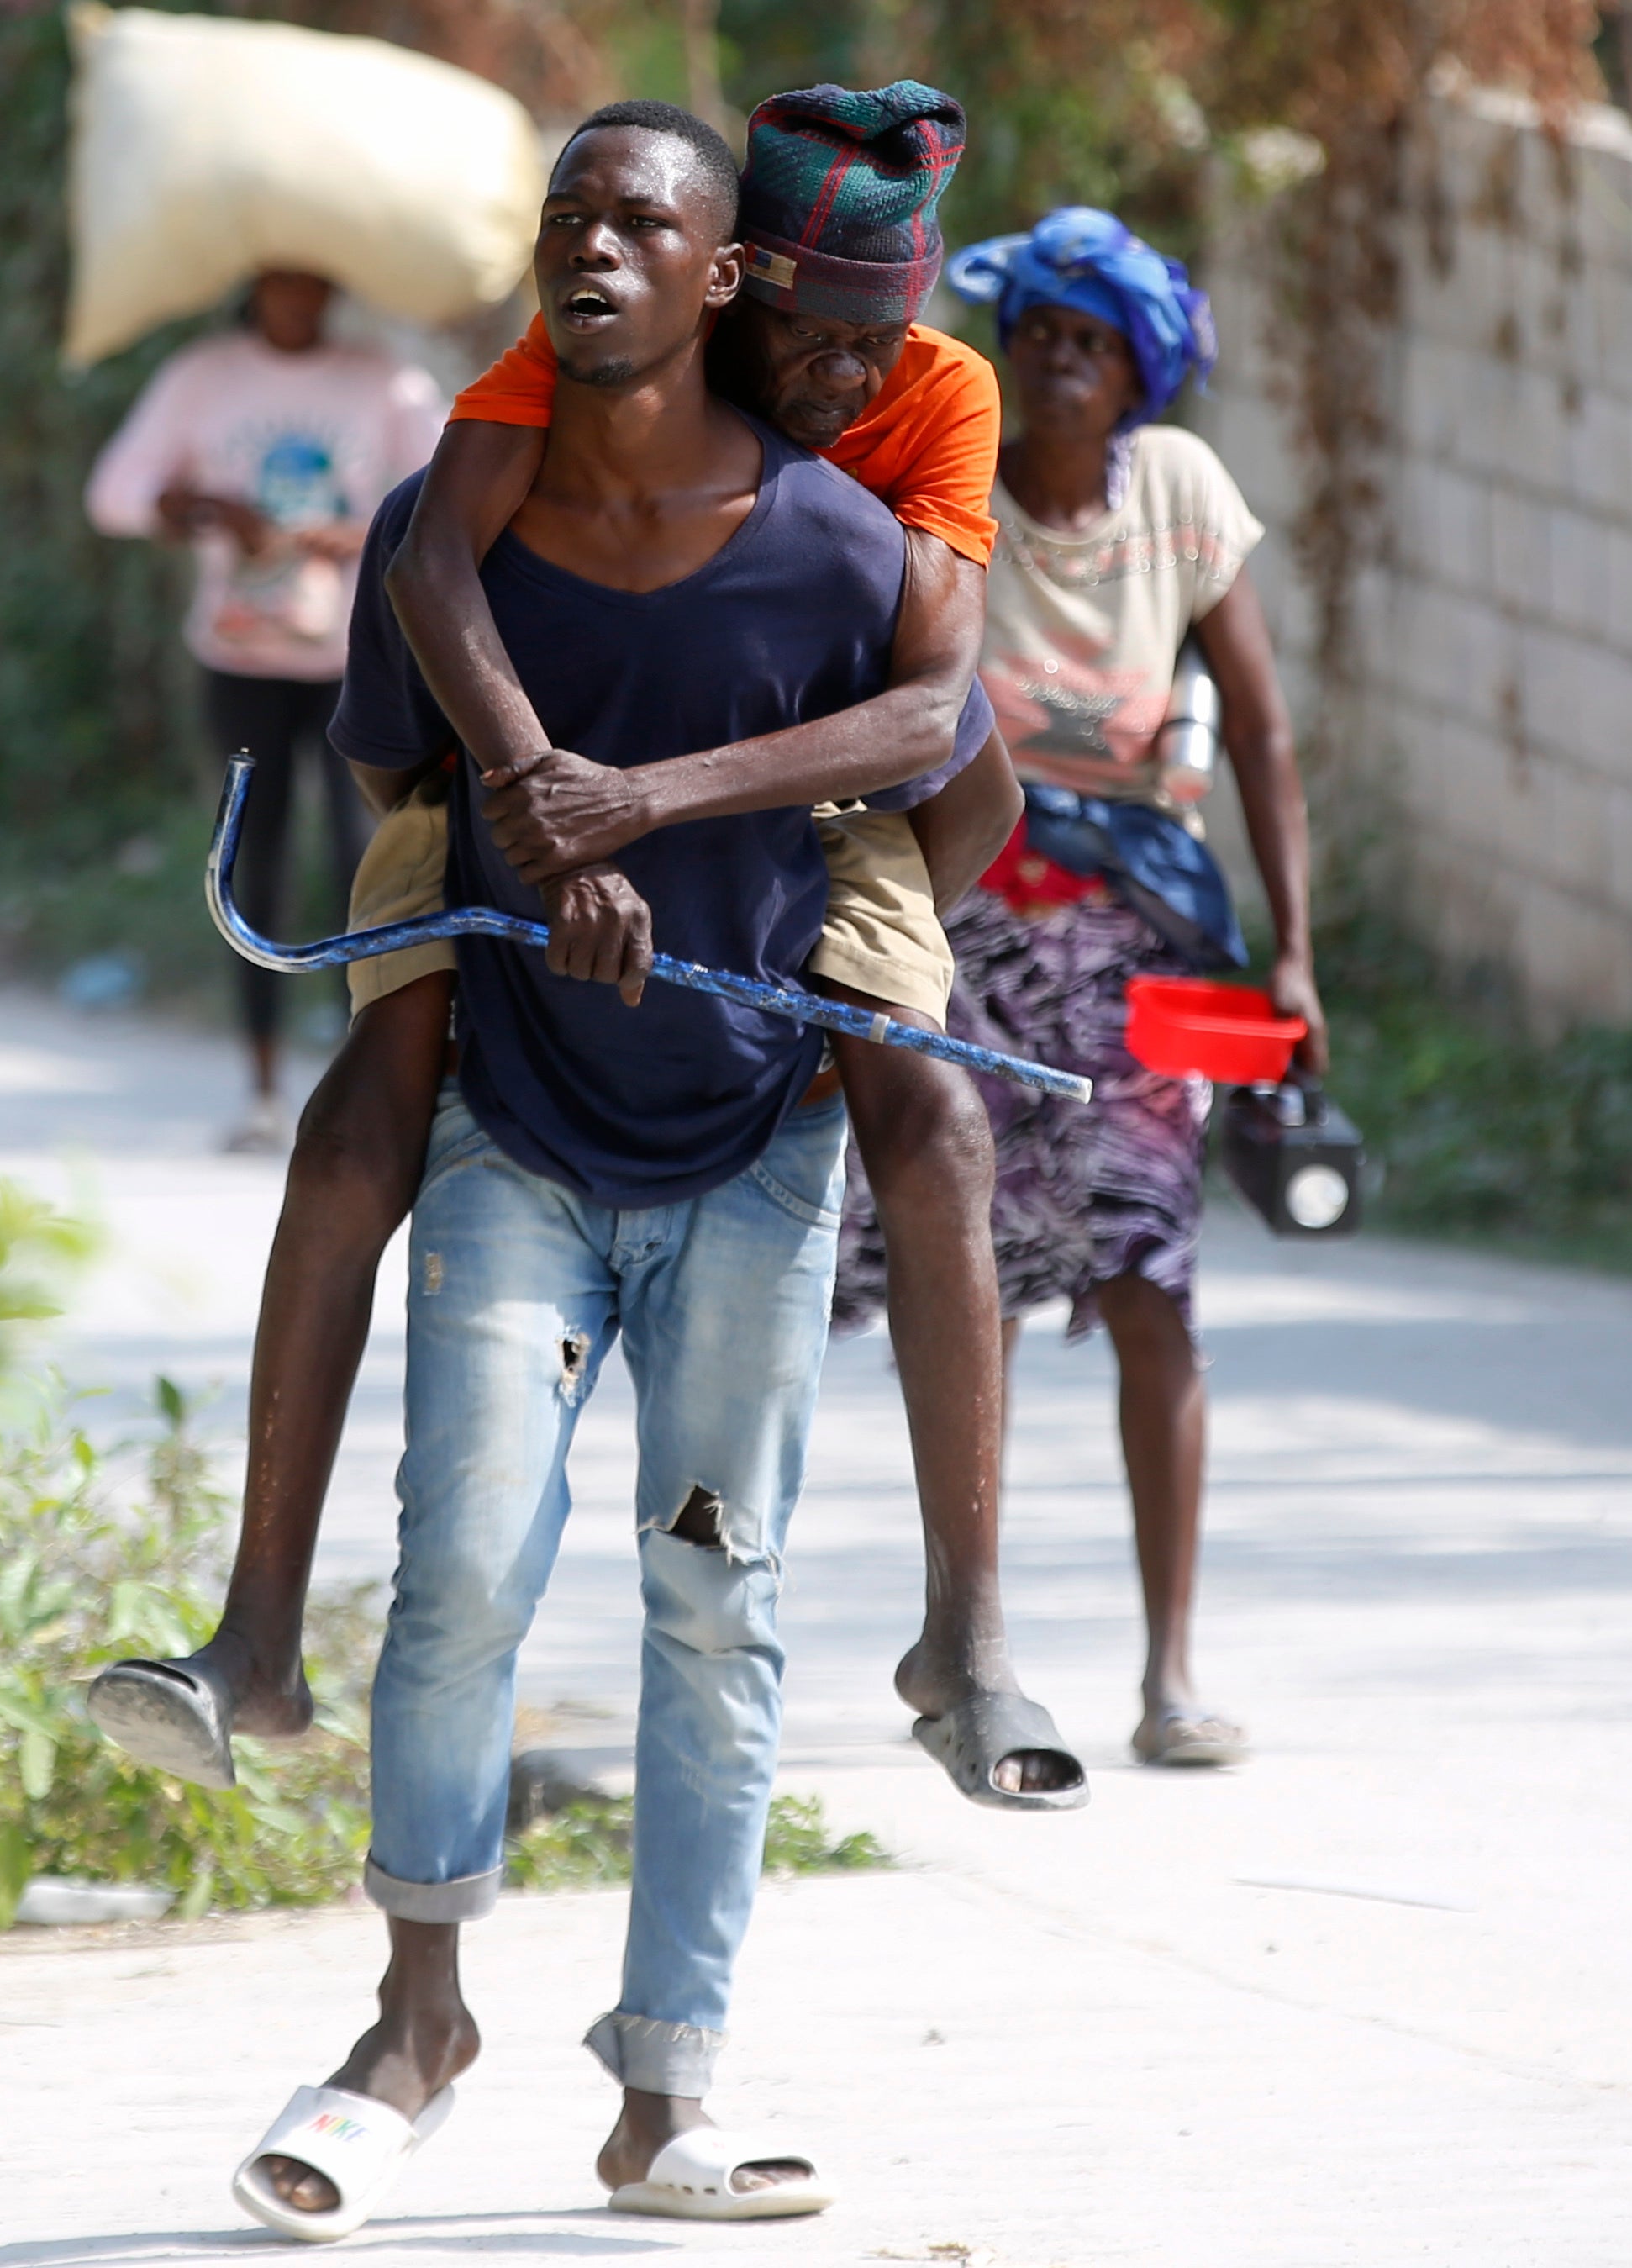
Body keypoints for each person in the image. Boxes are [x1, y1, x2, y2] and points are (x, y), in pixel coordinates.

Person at [92, 85, 1089, 1811]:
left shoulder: (932, 397)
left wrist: (675, 829)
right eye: (807, 338)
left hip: (804, 777)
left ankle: (965, 1635)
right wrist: (536, 797)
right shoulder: (587, 340)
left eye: (871, 343)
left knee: (932, 1114)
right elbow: (428, 566)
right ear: (731, 289)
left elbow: (930, 716)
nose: (838, 377)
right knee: (363, 1097)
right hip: (523, 769)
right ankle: (254, 1632)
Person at [219, 102, 940, 2239]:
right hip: (512, 1139)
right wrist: (530, 837)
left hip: (750, 1160)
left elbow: (944, 784)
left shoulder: (839, 546)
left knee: (716, 1601)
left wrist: (745, 892)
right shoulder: (452, 525)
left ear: (725, 276)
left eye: (641, 222)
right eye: (568, 218)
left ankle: (666, 2091)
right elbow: (392, 761)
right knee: (461, 1567)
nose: (593, 249)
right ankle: (412, 2026)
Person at [874, 206, 1323, 1769]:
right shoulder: (956, 484)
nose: (1059, 359)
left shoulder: (1181, 490)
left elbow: (1256, 729)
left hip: (1135, 946)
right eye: (1039, 336)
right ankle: (971, 1639)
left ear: (1136, 375)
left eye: (1090, 342)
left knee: (1149, 1279)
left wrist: (1291, 948)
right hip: (967, 930)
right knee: (972, 1284)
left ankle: (1169, 1675)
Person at [85, 269, 445, 1151]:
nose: (298, 293)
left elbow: (448, 492)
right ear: (256, 281)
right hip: (240, 659)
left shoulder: (383, 379)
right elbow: (116, 495)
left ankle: (365, 1082)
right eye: (280, 279)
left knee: (365, 864)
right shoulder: (203, 375)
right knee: (255, 864)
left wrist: (358, 533)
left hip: (354, 660)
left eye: (312, 278)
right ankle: (261, 1088)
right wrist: (204, 507)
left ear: (332, 281)